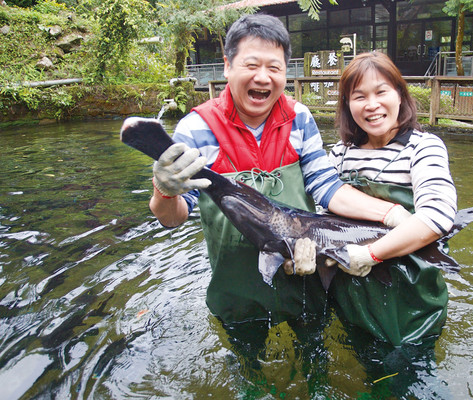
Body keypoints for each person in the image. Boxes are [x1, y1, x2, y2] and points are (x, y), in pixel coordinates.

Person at [148, 15, 407, 326]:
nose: (263, 78)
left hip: (304, 268)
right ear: (228, 66)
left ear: (285, 71)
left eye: (274, 68)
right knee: (246, 360)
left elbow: (326, 186)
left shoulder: (299, 117)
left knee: (313, 347)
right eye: (251, 65)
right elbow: (172, 218)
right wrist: (164, 190)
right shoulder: (195, 128)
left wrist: (393, 214)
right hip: (236, 286)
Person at [327, 51, 458, 346]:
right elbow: (318, 210)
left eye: (381, 91)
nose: (371, 105)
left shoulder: (424, 148)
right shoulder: (340, 153)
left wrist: (370, 254)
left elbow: (437, 217)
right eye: (359, 96)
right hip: (352, 298)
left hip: (409, 303)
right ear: (347, 105)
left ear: (400, 94)